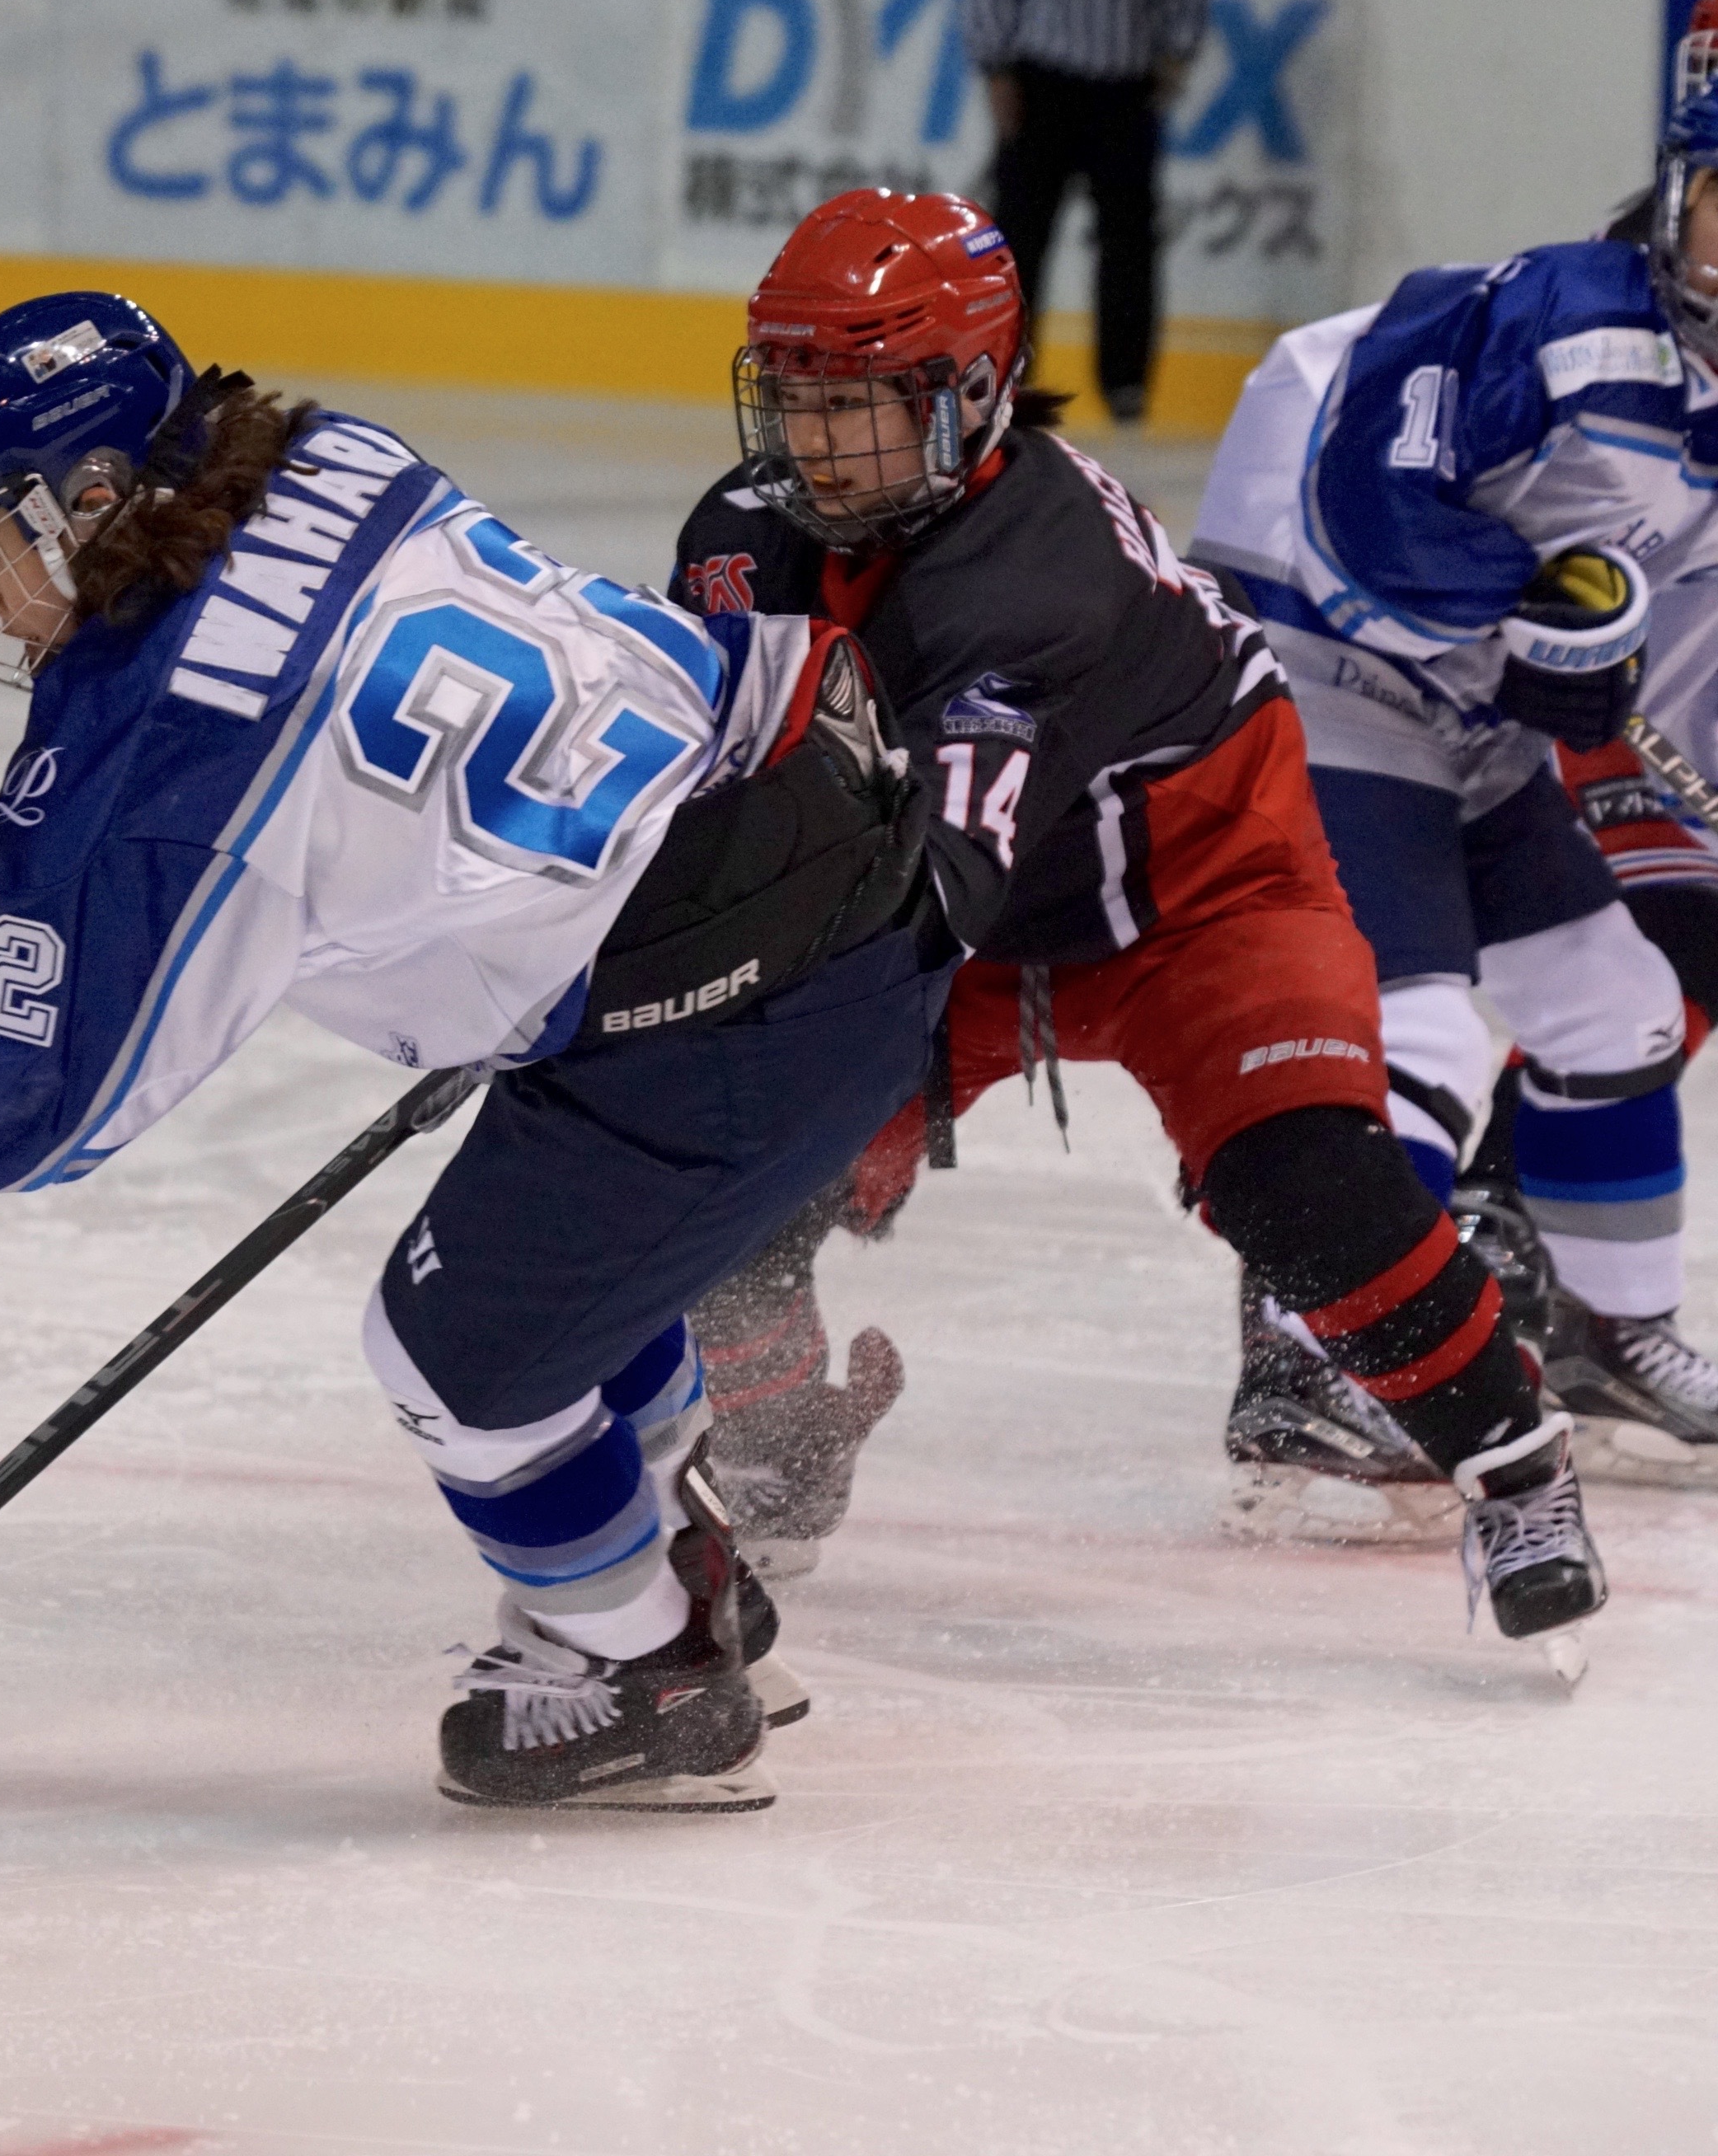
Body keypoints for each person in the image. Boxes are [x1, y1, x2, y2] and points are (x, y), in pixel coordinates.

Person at [0, 290, 946, 1813]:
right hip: (830, 827)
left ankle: (655, 1672)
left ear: (93, 499)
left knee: (456, 1361)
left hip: (738, 1000)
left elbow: (44, 1103)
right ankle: (676, 1569)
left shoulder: (162, 757)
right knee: (566, 1278)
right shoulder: (324, 456)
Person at [666, 189, 1603, 1652]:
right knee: (717, 1155)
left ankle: (1516, 1466)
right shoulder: (742, 532)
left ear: (973, 394)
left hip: (1201, 896)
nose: (816, 443)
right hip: (973, 902)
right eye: (794, 397)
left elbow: (931, 879)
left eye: (856, 404)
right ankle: (783, 1435)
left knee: (1306, 1189)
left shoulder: (1033, 581)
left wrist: (712, 977)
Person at [1184, 77, 1718, 1505]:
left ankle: (1608, 1332)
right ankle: (1310, 1355)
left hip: (1466, 715)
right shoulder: (1568, 321)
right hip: (1308, 665)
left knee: (1621, 1007)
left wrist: (1581, 660)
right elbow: (1361, 503)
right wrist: (1527, 614)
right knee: (1405, 1032)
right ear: (1674, 204)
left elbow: (1682, 652)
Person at [968, 0, 1208, 427]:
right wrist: (997, 64)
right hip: (1042, 81)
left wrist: (1177, 49)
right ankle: (1005, 374)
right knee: (1018, 241)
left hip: (1125, 86)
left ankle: (1126, 383)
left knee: (1129, 240)